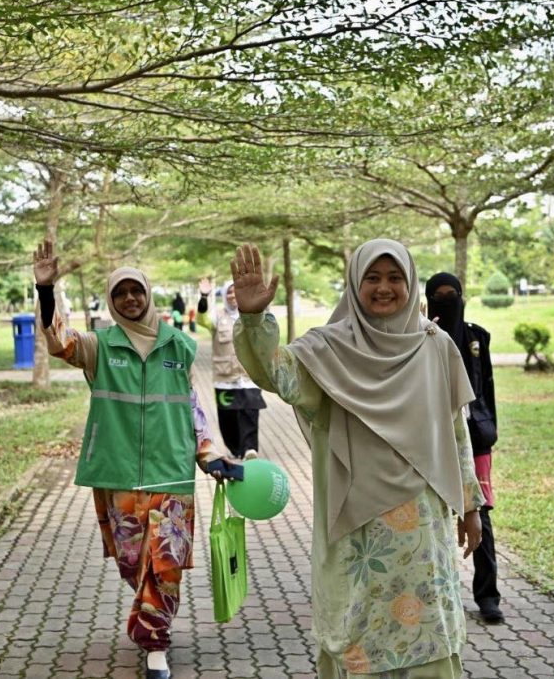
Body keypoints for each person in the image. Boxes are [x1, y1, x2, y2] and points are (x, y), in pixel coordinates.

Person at [231, 240, 484, 678]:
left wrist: (470, 504)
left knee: (427, 627)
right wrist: (254, 319)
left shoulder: (435, 345)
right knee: (358, 629)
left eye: (394, 278)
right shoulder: (328, 348)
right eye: (372, 278)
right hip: (358, 527)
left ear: (410, 283)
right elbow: (279, 374)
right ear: (354, 284)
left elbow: (455, 430)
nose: (383, 288)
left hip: (423, 528)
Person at [32, 239, 236, 679]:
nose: (130, 298)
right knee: (132, 563)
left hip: (172, 474)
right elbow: (58, 341)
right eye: (121, 292)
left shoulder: (179, 346)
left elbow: (192, 408)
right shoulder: (98, 346)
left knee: (165, 562)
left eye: (136, 291)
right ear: (112, 299)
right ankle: (150, 623)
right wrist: (46, 290)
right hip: (118, 475)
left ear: (149, 295)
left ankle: (155, 645)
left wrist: (211, 454)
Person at [426, 272, 503, 624]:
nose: (447, 301)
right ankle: (436, 595)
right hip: (430, 439)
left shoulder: (476, 337)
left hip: (475, 439)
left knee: (480, 513)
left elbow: (486, 385)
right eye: (438, 296)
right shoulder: (420, 337)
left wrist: (490, 430)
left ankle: (488, 596)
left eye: (452, 295)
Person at [195, 278, 267, 461]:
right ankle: (235, 448)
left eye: (236, 291)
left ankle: (250, 448)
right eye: (229, 292)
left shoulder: (252, 317)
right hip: (225, 379)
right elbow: (201, 318)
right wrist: (204, 296)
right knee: (228, 418)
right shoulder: (217, 317)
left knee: (250, 412)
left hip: (250, 377)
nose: (233, 295)